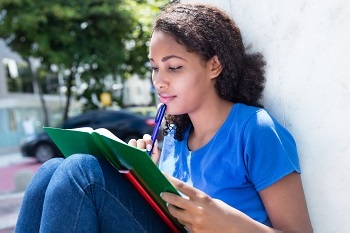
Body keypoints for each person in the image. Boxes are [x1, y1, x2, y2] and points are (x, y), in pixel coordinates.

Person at [15, 2, 313, 232]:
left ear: (214, 66)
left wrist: (227, 222)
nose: (158, 81)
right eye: (154, 67)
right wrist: (145, 171)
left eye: (174, 67)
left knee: (83, 172)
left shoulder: (254, 129)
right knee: (50, 170)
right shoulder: (174, 138)